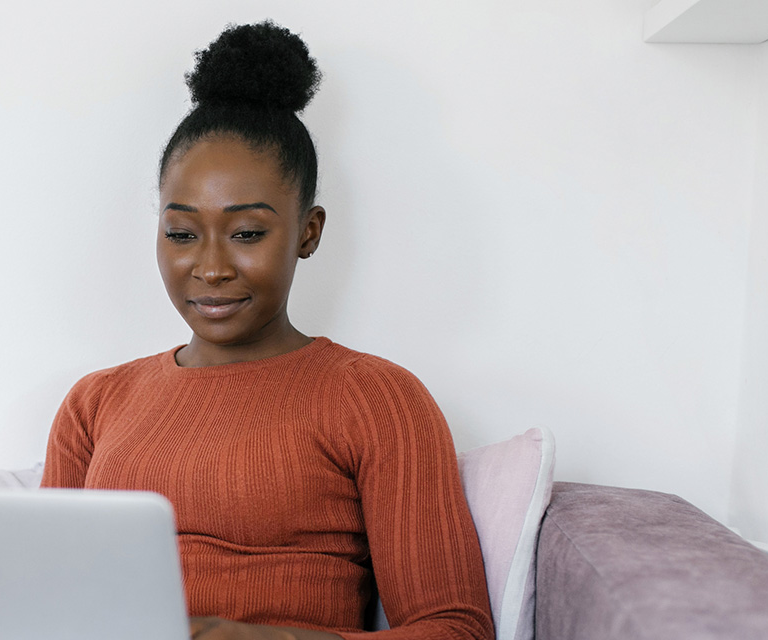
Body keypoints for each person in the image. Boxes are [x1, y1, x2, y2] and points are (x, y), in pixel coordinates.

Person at [41, 21, 494, 640]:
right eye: (180, 233)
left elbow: (456, 629)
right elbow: (38, 602)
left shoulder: (378, 399)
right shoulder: (96, 403)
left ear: (308, 232)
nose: (210, 267)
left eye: (247, 233)